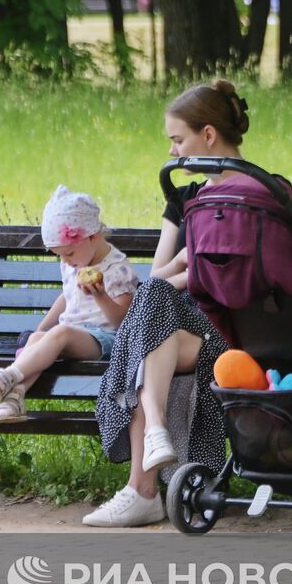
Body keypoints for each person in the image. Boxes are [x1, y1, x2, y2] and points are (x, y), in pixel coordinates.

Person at [85, 79, 251, 527]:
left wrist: (191, 268)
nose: (174, 152)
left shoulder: (256, 194)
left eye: (178, 140)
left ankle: (143, 486)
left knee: (148, 322)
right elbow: (157, 275)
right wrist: (189, 263)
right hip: (179, 330)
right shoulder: (186, 198)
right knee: (154, 308)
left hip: (232, 330)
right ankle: (149, 462)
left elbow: (238, 280)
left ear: (209, 135)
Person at [0, 186, 137, 424]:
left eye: (69, 253)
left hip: (106, 339)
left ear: (93, 237)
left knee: (60, 332)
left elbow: (122, 321)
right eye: (59, 255)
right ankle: (13, 400)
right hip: (70, 334)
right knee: (36, 339)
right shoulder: (75, 262)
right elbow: (67, 297)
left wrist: (100, 295)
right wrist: (41, 330)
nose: (65, 261)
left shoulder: (118, 269)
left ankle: (9, 375)